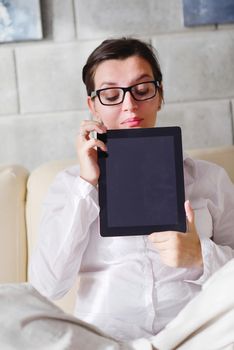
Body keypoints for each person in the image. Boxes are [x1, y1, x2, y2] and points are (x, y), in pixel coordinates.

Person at [29, 37, 234, 342]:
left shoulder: (210, 179)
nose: (129, 105)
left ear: (160, 95)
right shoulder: (69, 186)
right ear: (93, 105)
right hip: (106, 338)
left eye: (141, 90)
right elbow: (46, 287)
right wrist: (87, 184)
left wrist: (200, 256)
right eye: (111, 95)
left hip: (197, 334)